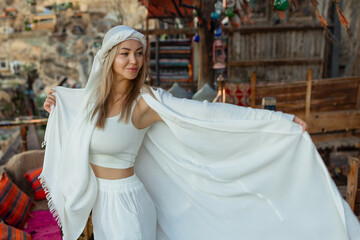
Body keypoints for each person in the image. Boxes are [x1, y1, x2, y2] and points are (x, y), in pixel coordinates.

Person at [42, 25, 359, 240]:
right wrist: (55, 105)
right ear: (110, 57)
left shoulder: (147, 101)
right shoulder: (89, 102)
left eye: (139, 53)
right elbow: (72, 121)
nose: (133, 60)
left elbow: (213, 113)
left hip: (127, 202)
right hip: (103, 201)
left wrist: (280, 122)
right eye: (125, 53)